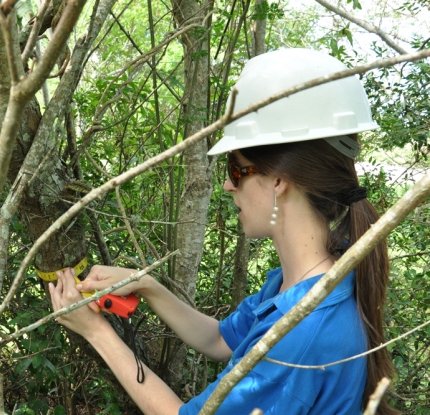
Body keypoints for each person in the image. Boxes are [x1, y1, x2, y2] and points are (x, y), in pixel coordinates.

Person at [48, 48, 399, 415]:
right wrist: (145, 285)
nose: (228, 187)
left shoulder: (301, 331)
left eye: (236, 169)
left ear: (279, 180)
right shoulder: (307, 282)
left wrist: (96, 333)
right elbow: (219, 339)